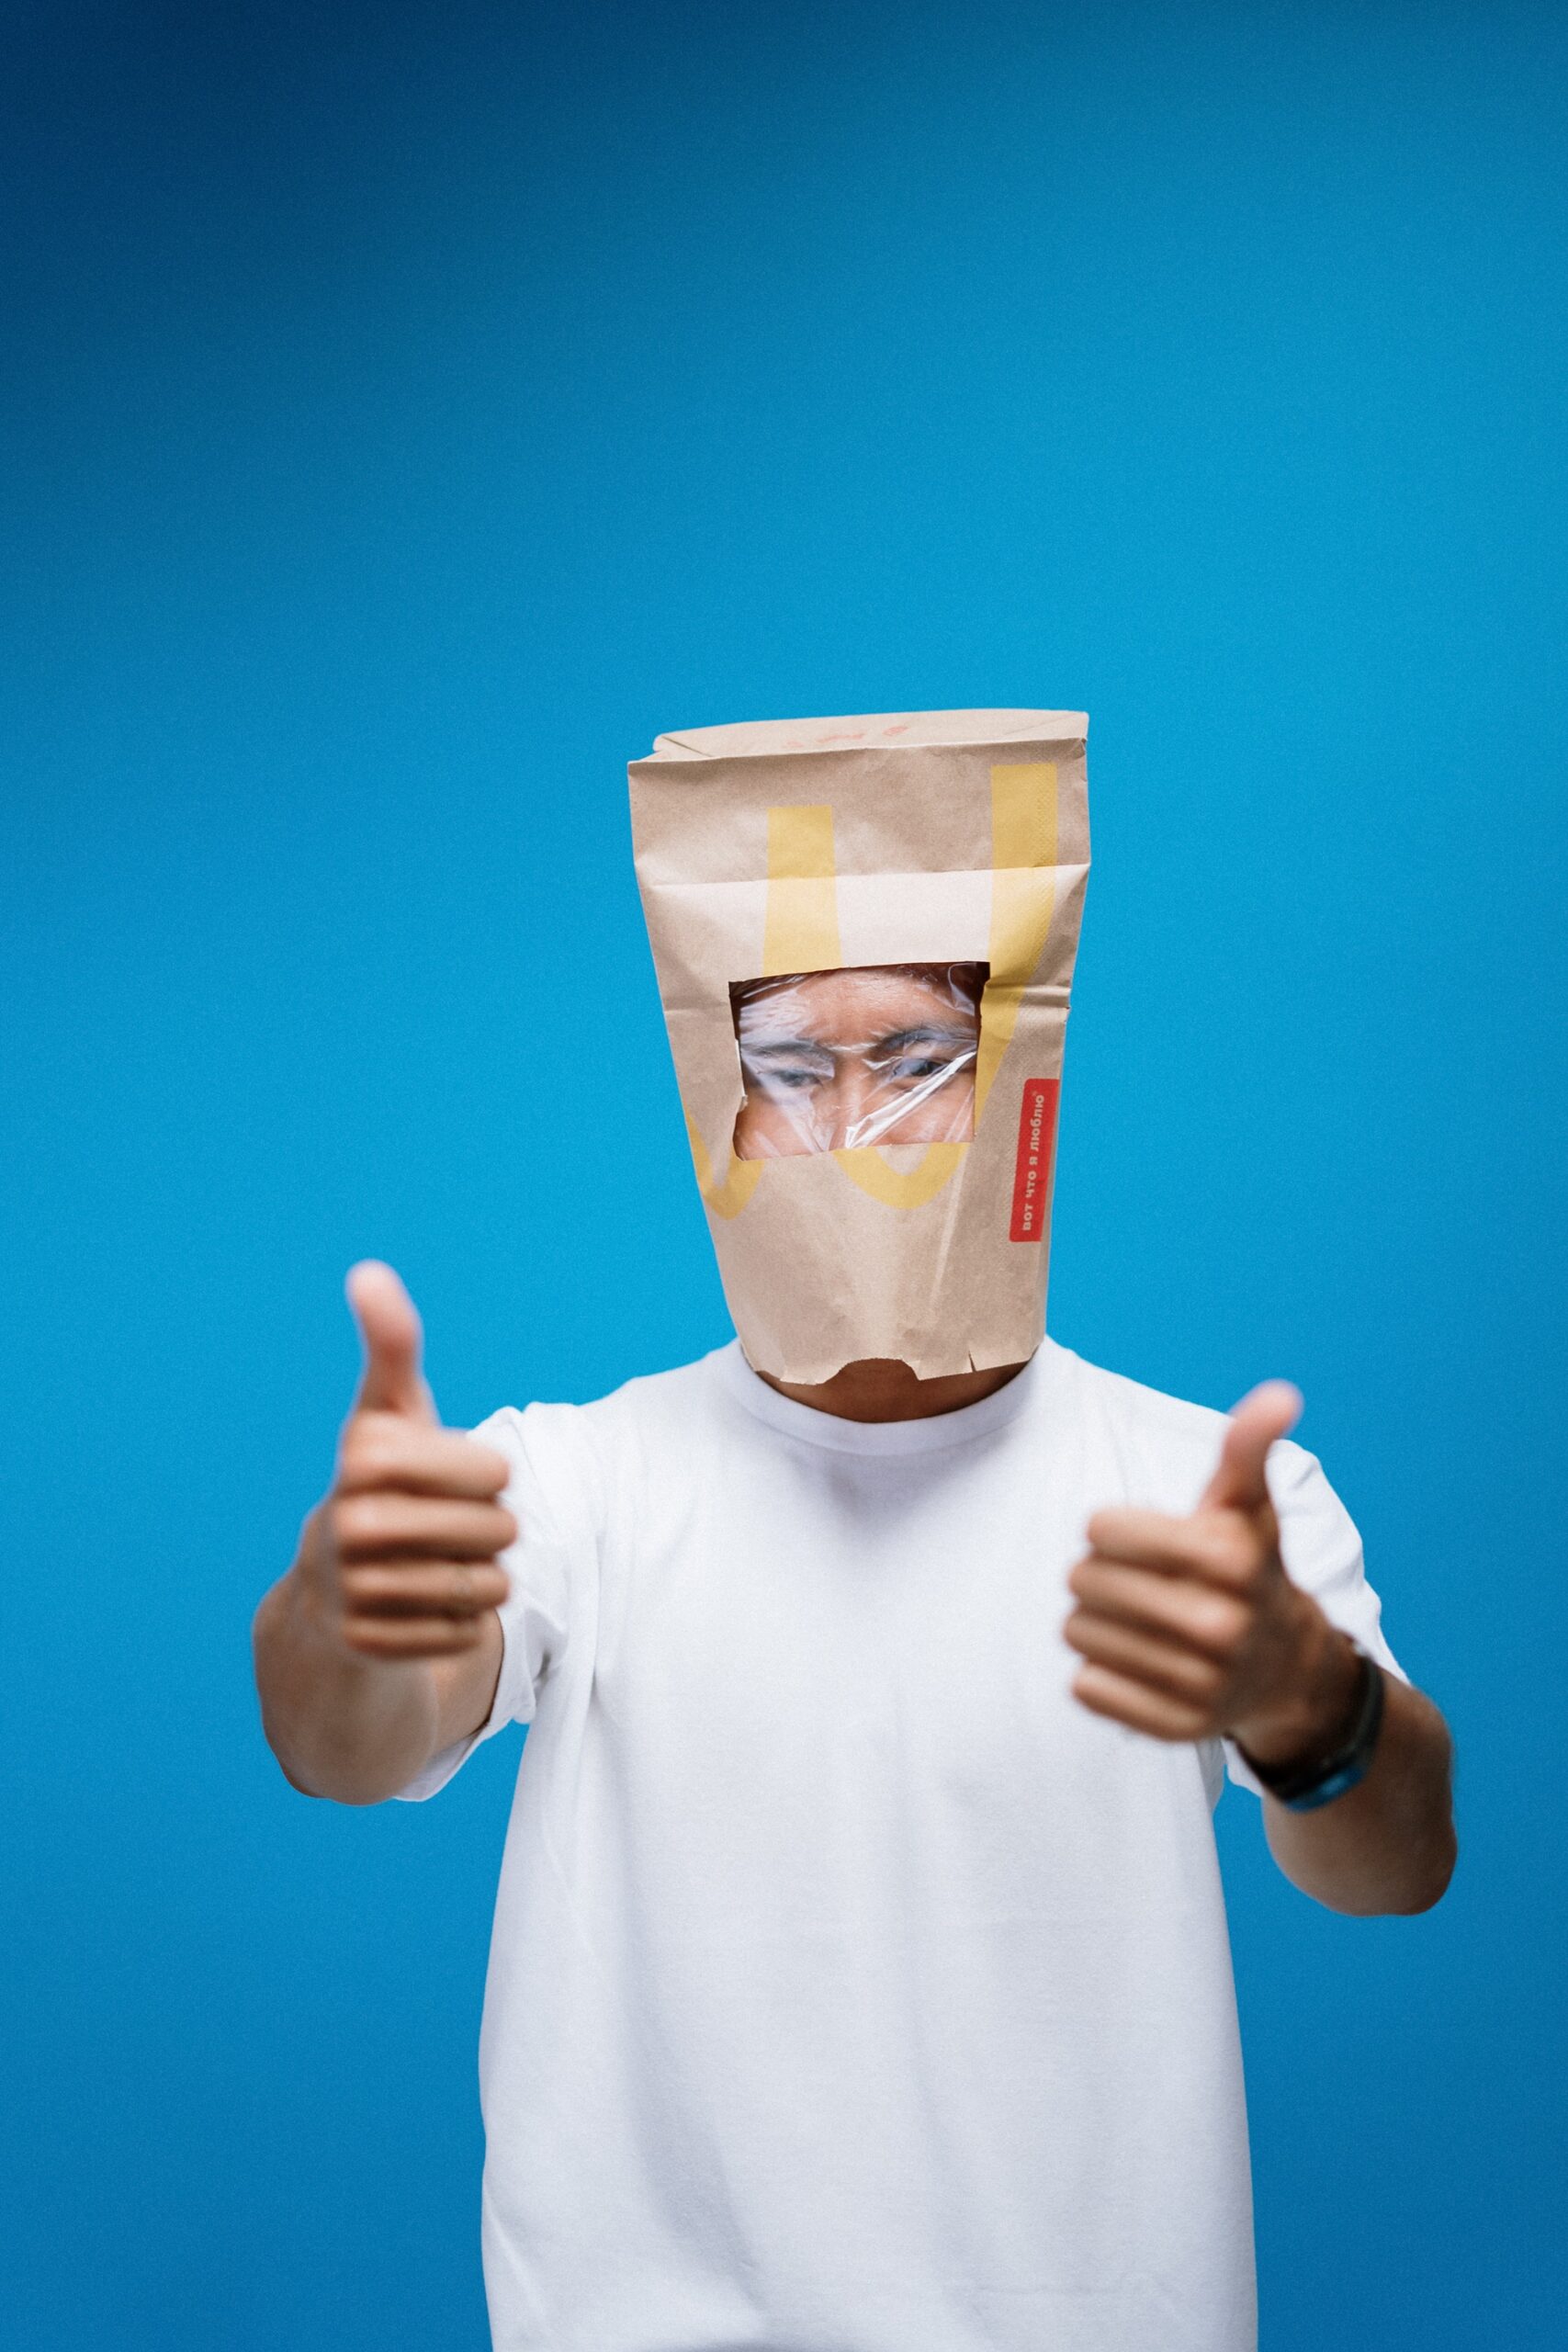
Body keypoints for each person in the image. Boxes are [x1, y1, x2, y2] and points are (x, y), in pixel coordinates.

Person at [254, 969, 1455, 2352]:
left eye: (920, 1061)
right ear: (722, 1118)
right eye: (787, 1072)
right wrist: (346, 1605)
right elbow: (344, 1745)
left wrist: (1310, 1706)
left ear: (1019, 1101)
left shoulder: (1204, 1492)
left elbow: (1400, 1863)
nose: (856, 1124)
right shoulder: (574, 1483)